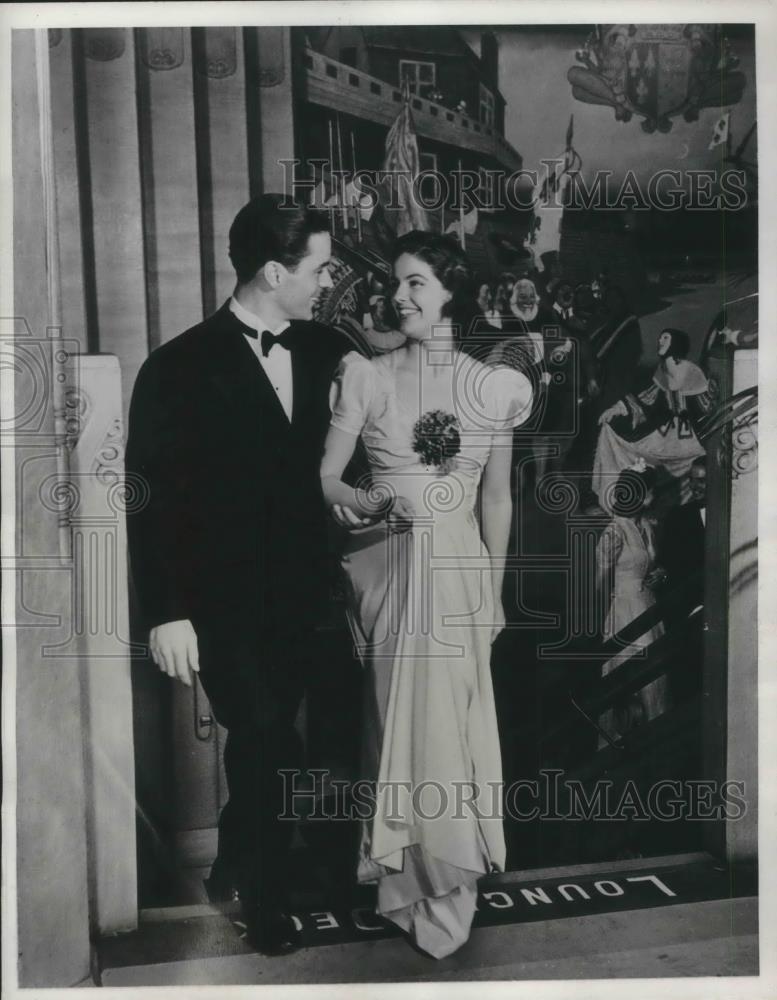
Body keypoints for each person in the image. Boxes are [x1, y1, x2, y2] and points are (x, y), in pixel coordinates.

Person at [125, 194, 345, 956]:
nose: (327, 281)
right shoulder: (175, 365)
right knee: (266, 737)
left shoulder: (327, 350)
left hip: (304, 597)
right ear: (274, 270)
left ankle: (230, 859)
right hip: (216, 606)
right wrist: (165, 612)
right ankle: (268, 897)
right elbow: (147, 498)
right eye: (318, 268)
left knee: (271, 744)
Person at [320, 232, 533, 959]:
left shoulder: (493, 385)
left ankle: (447, 889)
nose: (399, 297)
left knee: (452, 726)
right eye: (397, 285)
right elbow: (324, 479)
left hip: (460, 574)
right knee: (389, 728)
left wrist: (496, 593)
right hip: (384, 567)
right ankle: (394, 884)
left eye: (416, 284)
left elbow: (497, 500)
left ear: (450, 296)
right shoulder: (364, 375)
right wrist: (371, 503)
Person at [592, 327, 711, 510]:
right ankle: (621, 499)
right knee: (613, 434)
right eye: (660, 338)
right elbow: (647, 398)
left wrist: (709, 438)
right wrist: (619, 408)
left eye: (666, 338)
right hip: (666, 433)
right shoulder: (662, 370)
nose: (660, 342)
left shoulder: (691, 371)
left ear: (675, 343)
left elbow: (706, 407)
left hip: (692, 436)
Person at [596, 463, 668, 744]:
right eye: (649, 491)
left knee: (655, 678)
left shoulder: (647, 527)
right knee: (628, 684)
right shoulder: (615, 531)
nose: (653, 495)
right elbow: (597, 586)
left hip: (649, 607)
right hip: (625, 612)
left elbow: (648, 565)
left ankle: (656, 744)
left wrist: (659, 573)